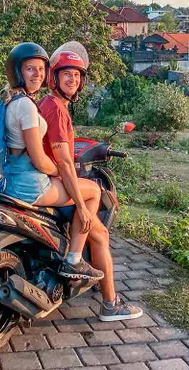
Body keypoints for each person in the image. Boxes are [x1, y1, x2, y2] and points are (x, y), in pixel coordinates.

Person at [38, 44, 143, 322]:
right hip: (53, 185)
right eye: (66, 75)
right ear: (54, 78)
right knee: (95, 198)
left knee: (99, 235)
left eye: (77, 75)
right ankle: (101, 294)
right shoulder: (56, 108)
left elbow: (54, 149)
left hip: (43, 179)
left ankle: (106, 297)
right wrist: (82, 207)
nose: (72, 80)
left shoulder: (47, 105)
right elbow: (62, 162)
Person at [1, 42, 104, 281]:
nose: (37, 74)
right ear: (18, 72)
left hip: (10, 176)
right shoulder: (27, 106)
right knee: (92, 192)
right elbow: (39, 160)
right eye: (30, 69)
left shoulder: (10, 100)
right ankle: (74, 260)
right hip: (27, 182)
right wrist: (61, 172)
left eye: (40, 69)